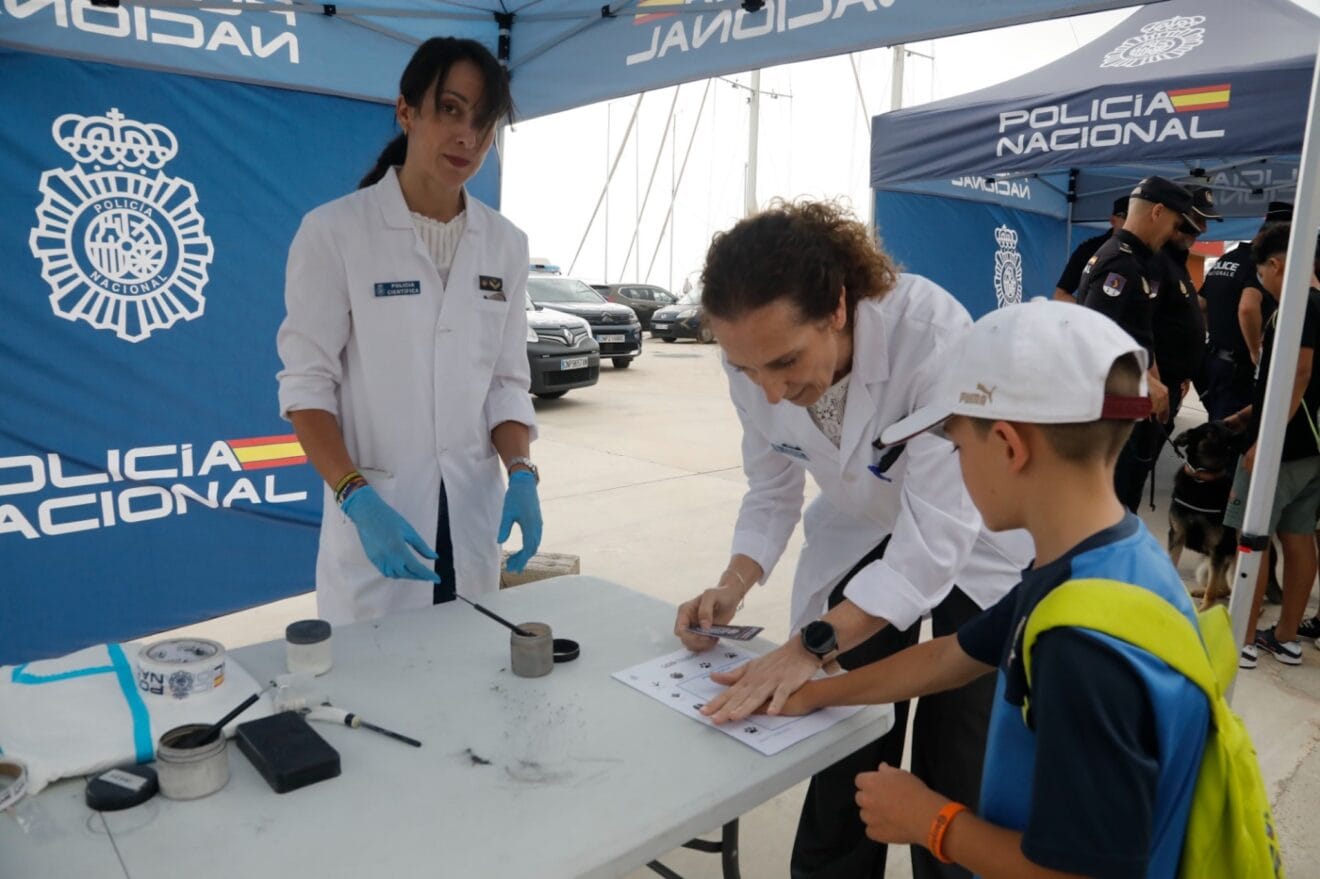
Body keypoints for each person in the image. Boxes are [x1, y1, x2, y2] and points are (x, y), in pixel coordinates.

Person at [754, 300, 1211, 878]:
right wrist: (812, 694)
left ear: (1009, 447)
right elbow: (950, 656)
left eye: (956, 445)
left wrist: (931, 821)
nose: (953, 467)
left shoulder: (1083, 646)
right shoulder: (1100, 565)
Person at [676, 200, 1033, 879]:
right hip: (862, 529)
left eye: (785, 362)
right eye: (749, 371)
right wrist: (732, 583)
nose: (772, 391)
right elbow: (773, 485)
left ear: (837, 307)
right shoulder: (752, 356)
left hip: (976, 542)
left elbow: (934, 540)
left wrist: (810, 643)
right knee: (843, 749)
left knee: (959, 757)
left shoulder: (930, 334)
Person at [276, 37, 542, 625]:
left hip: (471, 517)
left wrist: (522, 471)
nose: (466, 137)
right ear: (406, 111)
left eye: (483, 121)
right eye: (450, 109)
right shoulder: (334, 233)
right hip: (379, 519)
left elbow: (505, 382)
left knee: (470, 678)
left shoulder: (506, 244)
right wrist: (356, 498)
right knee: (376, 697)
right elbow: (307, 390)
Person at [1223, 223, 1320, 669]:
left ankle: (1240, 637)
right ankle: (1285, 638)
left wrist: (1265, 437)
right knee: (1299, 536)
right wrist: (1249, 413)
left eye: (1261, 275)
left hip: (1283, 446)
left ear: (1276, 265)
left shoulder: (1298, 306)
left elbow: (1298, 373)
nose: (1262, 285)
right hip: (1311, 447)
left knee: (1252, 533)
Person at [1079, 176, 1198, 510]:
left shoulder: (1142, 260)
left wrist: (1154, 375)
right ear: (1157, 212)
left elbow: (1139, 329)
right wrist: (1147, 381)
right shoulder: (1120, 261)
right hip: (1116, 401)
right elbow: (1093, 332)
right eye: (1175, 224)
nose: (1175, 234)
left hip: (1135, 401)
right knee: (1114, 499)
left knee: (1127, 492)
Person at [1198, 202, 1293, 421]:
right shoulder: (1262, 264)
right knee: (1230, 433)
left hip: (1214, 357)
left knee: (1217, 425)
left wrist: (1219, 332)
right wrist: (1254, 350)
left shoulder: (1229, 257)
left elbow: (1201, 304)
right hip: (1237, 365)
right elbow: (1247, 307)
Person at [1051, 194, 1129, 302]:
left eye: (1137, 218)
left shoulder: (1150, 252)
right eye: (1126, 216)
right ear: (1113, 220)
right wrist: (1092, 314)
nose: (1132, 222)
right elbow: (1060, 295)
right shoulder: (1090, 249)